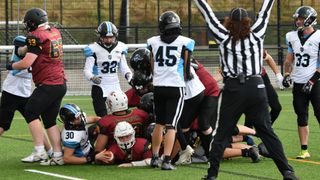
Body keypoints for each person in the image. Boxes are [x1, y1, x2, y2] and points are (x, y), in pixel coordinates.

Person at [194, 0, 298, 179]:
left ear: (228, 22)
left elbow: (208, 14)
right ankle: (287, 172)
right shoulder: (257, 34)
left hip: (234, 88)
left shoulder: (223, 35)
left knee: (221, 133)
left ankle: (212, 175)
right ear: (248, 22)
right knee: (267, 133)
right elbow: (265, 11)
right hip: (256, 86)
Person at [6, 8, 67, 165]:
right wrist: (23, 49)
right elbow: (34, 48)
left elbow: (27, 62)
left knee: (31, 112)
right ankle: (58, 155)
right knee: (49, 120)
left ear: (32, 23)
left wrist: (12, 65)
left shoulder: (36, 36)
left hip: (48, 83)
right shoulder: (54, 31)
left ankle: (39, 150)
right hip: (60, 82)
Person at [147, 11, 194, 170]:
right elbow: (187, 70)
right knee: (171, 125)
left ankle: (154, 157)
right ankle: (166, 160)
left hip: (159, 86)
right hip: (175, 86)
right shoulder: (186, 42)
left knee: (159, 123)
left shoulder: (153, 41)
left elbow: (152, 64)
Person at [0, 35, 53, 159]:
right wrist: (31, 45)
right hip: (11, 92)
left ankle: (50, 151)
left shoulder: (36, 52)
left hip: (26, 93)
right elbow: (21, 50)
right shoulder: (22, 49)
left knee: (36, 122)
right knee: (2, 124)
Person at [283, 6, 320, 160]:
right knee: (301, 116)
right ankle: (304, 150)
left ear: (309, 19)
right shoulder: (291, 36)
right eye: (297, 18)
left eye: (300, 18)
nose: (297, 21)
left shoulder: (318, 36)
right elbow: (289, 59)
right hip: (298, 83)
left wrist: (312, 81)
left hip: (316, 82)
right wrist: (286, 74)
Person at [83, 21, 133, 117]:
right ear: (100, 37)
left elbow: (124, 66)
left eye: (111, 37)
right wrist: (93, 78)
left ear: (115, 36)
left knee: (120, 115)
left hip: (115, 86)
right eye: (106, 37)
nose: (109, 40)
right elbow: (87, 70)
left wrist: (129, 76)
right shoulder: (93, 49)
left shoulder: (120, 47)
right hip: (100, 86)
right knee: (103, 117)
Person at [245, 50, 283, 128]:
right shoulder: (233, 47)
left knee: (276, 107)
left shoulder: (254, 42)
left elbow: (268, 57)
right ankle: (247, 136)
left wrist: (278, 75)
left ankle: (264, 129)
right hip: (247, 81)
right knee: (251, 112)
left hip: (262, 78)